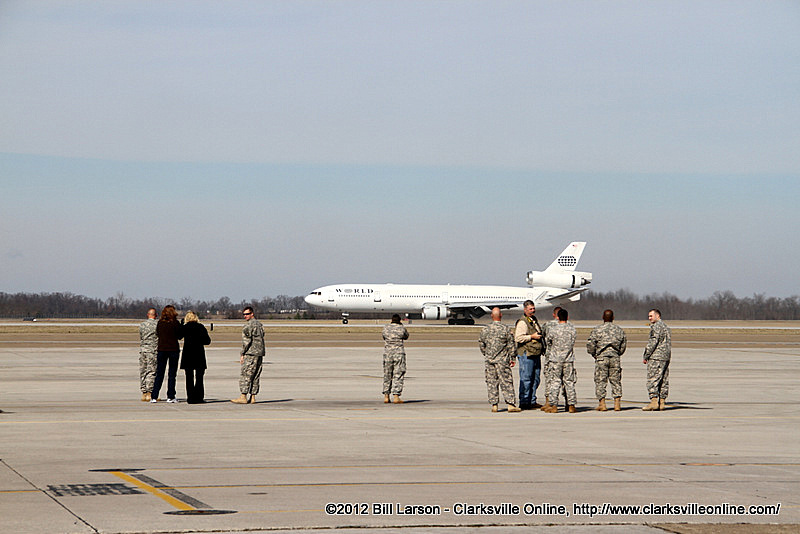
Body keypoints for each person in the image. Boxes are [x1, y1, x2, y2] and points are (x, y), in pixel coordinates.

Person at [479, 308, 521, 413]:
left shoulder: (485, 329)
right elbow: (511, 345)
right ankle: (510, 404)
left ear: (491, 316)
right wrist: (512, 358)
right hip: (502, 360)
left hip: (490, 360)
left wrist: (487, 354)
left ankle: (494, 404)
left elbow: (481, 344)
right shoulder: (505, 329)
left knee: (491, 382)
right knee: (506, 381)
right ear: (501, 315)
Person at [587, 309, 627, 411]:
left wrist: (595, 355)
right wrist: (617, 354)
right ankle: (617, 404)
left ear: (603, 317)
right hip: (615, 358)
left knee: (601, 381)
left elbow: (591, 345)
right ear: (613, 318)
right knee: (616, 381)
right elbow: (623, 345)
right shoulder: (619, 330)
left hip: (602, 358)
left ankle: (602, 404)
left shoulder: (597, 330)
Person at [543, 308, 577, 413]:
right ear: (567, 317)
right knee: (569, 382)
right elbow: (573, 341)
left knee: (555, 382)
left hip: (555, 359)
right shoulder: (572, 329)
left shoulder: (553, 329)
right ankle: (571, 405)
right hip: (568, 359)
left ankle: (553, 405)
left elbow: (548, 342)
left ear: (558, 317)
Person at [232, 306, 265, 404]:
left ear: (252, 314)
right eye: (244, 314)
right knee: (256, 375)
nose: (245, 316)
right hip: (259, 353)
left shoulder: (248, 326)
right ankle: (253, 397)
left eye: (247, 314)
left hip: (251, 353)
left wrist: (242, 353)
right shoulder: (259, 325)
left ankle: (243, 396)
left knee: (246, 374)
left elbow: (246, 342)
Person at [514, 300, 543, 409]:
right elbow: (518, 338)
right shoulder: (522, 322)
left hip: (535, 353)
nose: (533, 311)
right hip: (526, 354)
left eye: (533, 308)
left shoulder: (534, 320)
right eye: (530, 309)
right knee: (526, 378)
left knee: (535, 379)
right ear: (525, 309)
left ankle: (532, 400)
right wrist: (531, 337)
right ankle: (524, 401)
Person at [151, 305, 183, 403]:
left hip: (162, 349)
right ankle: (171, 396)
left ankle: (154, 396)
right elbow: (180, 336)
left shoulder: (160, 323)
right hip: (173, 350)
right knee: (172, 374)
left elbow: (157, 334)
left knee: (159, 373)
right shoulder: (175, 323)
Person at [642, 308, 671, 411]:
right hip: (665, 357)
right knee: (663, 380)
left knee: (653, 379)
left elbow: (653, 342)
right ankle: (662, 402)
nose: (649, 318)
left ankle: (654, 402)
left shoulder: (656, 327)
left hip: (656, 357)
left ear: (657, 316)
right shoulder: (666, 327)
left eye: (651, 316)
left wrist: (646, 355)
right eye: (649, 316)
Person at [180, 311, 211, 404]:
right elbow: (207, 341)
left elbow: (179, 336)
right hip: (199, 354)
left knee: (189, 378)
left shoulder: (185, 327)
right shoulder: (200, 327)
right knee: (199, 378)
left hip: (188, 354)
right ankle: (199, 397)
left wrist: (181, 325)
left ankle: (190, 398)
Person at [382, 314, 409, 404]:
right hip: (398, 353)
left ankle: (386, 396)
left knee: (387, 374)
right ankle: (396, 396)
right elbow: (406, 336)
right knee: (398, 374)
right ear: (399, 320)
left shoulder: (386, 328)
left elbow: (384, 337)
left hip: (388, 353)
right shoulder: (401, 328)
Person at [539, 306, 562, 412]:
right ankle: (569, 403)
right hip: (565, 357)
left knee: (550, 379)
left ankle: (548, 402)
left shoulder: (548, 325)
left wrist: (544, 349)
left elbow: (542, 337)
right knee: (566, 380)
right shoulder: (568, 326)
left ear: (554, 315)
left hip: (550, 356)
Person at [138, 308, 158, 402]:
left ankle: (144, 392)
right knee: (151, 371)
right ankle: (150, 392)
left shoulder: (142, 325)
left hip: (143, 350)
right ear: (155, 315)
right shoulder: (157, 325)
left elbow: (141, 337)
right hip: (152, 350)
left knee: (143, 370)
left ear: (148, 314)